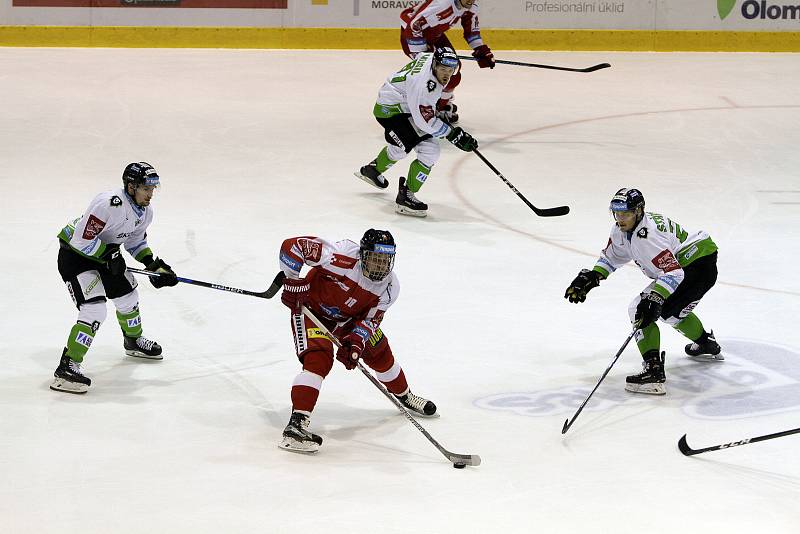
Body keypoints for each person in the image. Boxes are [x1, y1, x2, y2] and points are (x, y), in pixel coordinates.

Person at [277, 229, 437, 453]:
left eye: (385, 260)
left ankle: (404, 395)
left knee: (380, 352)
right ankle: (296, 425)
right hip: (312, 312)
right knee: (318, 361)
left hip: (350, 320)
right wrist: (293, 281)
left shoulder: (390, 287)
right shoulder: (340, 256)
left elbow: (371, 321)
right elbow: (293, 246)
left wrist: (356, 343)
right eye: (375, 259)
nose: (380, 266)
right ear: (363, 255)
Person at [564, 188, 721, 395]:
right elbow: (612, 257)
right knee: (671, 314)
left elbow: (673, 273)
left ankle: (653, 373)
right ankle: (706, 344)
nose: (621, 219)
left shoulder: (647, 237)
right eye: (617, 213)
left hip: (696, 264)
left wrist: (655, 298)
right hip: (697, 260)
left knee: (640, 308)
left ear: (639, 211)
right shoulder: (620, 231)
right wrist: (592, 277)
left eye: (626, 213)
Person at [51, 162, 178, 394]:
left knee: (129, 296)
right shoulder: (108, 204)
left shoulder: (145, 211)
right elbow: (81, 241)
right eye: (145, 189)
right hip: (76, 257)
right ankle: (66, 367)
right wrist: (108, 257)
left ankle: (133, 341)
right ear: (131, 187)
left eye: (153, 189)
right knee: (94, 309)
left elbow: (134, 241)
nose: (150, 194)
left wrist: (152, 264)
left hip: (106, 256)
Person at [355, 47, 479, 218]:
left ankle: (372, 170)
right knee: (425, 150)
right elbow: (424, 121)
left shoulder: (430, 57)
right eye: (443, 69)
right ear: (435, 64)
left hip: (399, 105)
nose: (446, 74)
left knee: (406, 148)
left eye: (451, 70)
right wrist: (452, 134)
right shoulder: (426, 87)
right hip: (392, 112)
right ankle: (405, 197)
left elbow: (421, 54)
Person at [400, 0, 494, 123]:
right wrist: (423, 56)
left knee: (454, 69)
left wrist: (480, 49)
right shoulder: (442, 5)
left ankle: (442, 105)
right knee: (434, 72)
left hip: (434, 34)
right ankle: (426, 106)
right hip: (413, 36)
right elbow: (414, 25)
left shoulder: (470, 5)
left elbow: (471, 29)